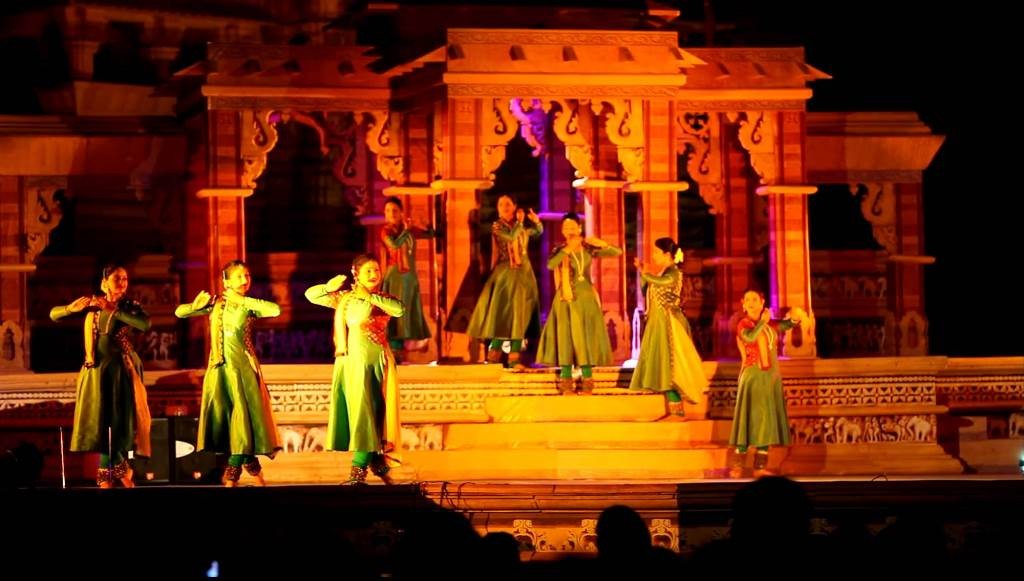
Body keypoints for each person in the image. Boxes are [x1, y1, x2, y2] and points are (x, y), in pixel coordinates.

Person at [175, 260, 281, 487]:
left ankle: (231, 476)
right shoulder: (215, 303)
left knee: (242, 422)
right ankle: (254, 475)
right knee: (232, 425)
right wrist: (195, 305)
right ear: (226, 281)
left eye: (247, 276)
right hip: (220, 371)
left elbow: (275, 309)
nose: (245, 280)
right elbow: (179, 312)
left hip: (242, 369)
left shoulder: (247, 304)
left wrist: (241, 300)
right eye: (239, 276)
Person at [305, 255, 404, 484]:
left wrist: (369, 297)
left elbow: (399, 310)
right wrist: (327, 287)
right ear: (356, 273)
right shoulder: (344, 298)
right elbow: (311, 295)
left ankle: (357, 471)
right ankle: (376, 464)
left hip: (374, 362)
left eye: (376, 270)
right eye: (368, 270)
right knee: (360, 412)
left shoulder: (382, 299)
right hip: (349, 362)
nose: (374, 274)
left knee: (368, 412)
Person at [50, 264, 152, 488]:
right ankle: (120, 472)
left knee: (116, 423)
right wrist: (69, 308)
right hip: (95, 371)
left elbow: (144, 324)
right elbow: (53, 314)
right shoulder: (92, 305)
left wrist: (112, 309)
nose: (123, 282)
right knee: (99, 423)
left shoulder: (128, 306)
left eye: (125, 278)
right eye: (117, 278)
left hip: (119, 371)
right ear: (103, 282)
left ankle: (112, 476)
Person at [537, 213, 622, 393]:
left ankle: (588, 379)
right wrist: (567, 249)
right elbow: (551, 265)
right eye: (566, 227)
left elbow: (617, 252)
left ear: (580, 229)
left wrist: (603, 244)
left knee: (586, 337)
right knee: (566, 337)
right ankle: (566, 380)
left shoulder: (588, 249)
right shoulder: (559, 250)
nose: (569, 230)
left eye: (573, 227)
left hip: (586, 298)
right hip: (566, 300)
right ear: (562, 230)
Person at [729, 289, 804, 477]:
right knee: (749, 419)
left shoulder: (770, 324)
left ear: (763, 303)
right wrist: (762, 321)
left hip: (769, 378)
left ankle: (759, 467)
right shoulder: (743, 324)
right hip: (753, 377)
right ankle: (738, 465)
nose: (752, 302)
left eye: (755, 299)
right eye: (748, 299)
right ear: (743, 304)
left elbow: (783, 325)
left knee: (765, 422)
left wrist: (794, 319)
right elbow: (750, 337)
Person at [629, 237, 707, 417]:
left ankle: (677, 412)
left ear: (667, 254)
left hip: (670, 325)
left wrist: (646, 273)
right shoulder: (664, 271)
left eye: (657, 252)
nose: (654, 255)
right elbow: (646, 290)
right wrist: (645, 275)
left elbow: (664, 283)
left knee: (672, 369)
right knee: (663, 369)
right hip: (659, 324)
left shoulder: (674, 272)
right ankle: (675, 411)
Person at [466, 194, 543, 369]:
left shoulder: (520, 227)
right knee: (502, 317)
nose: (504, 207)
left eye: (508, 204)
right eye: (501, 204)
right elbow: (510, 237)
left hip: (523, 275)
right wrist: (520, 223)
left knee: (519, 316)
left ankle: (514, 358)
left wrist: (537, 222)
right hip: (505, 276)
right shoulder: (498, 226)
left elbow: (537, 232)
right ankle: (493, 356)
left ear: (515, 206)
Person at [380, 196, 432, 361]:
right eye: (388, 211)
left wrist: (424, 223)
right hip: (394, 276)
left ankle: (403, 352)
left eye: (395, 210)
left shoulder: (408, 230)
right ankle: (395, 351)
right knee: (395, 311)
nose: (391, 213)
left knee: (408, 311)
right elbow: (394, 245)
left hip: (409, 277)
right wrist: (406, 230)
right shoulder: (386, 231)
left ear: (402, 212)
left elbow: (430, 234)